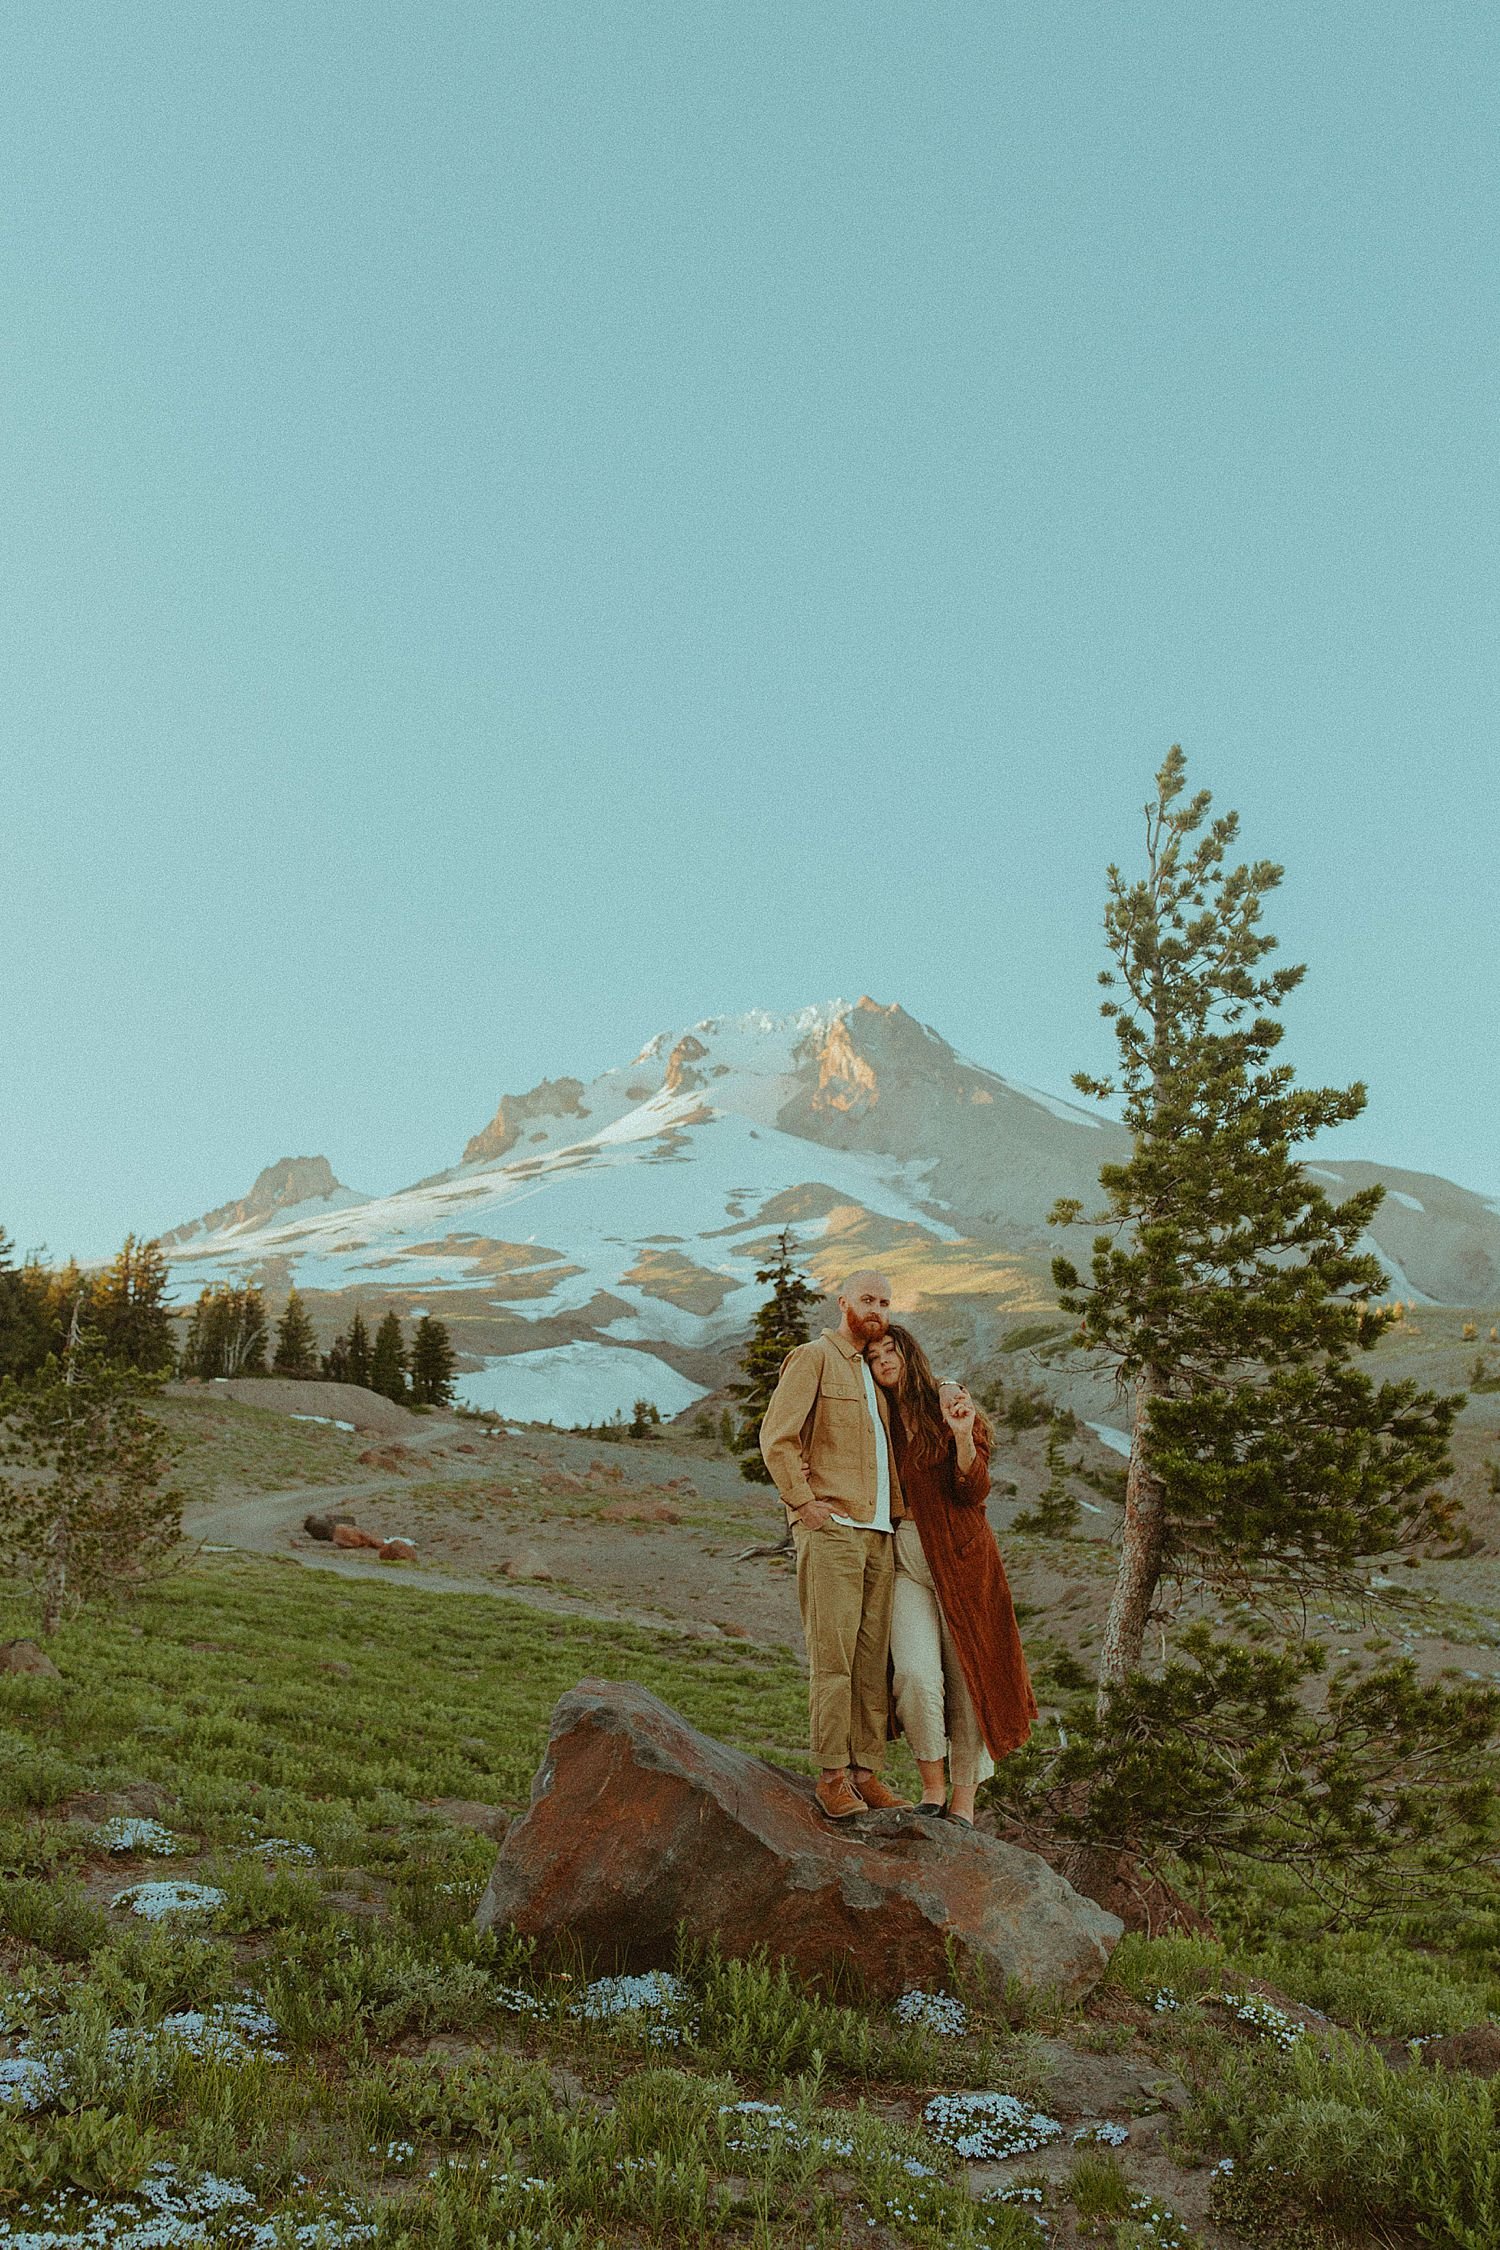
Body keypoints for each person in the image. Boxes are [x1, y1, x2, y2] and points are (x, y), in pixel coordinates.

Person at [865, 1323, 1037, 1825]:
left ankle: (963, 1803)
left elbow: (974, 1489)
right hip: (904, 1560)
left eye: (890, 1351)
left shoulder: (947, 1403)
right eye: (874, 1356)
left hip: (962, 1562)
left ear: (909, 1354)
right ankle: (932, 1788)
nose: (883, 1361)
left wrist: (962, 1435)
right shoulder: (874, 1413)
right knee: (917, 1676)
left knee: (969, 1679)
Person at [759, 1270, 911, 1821]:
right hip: (834, 1533)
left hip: (879, 1535)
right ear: (842, 1301)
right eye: (867, 1298)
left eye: (885, 1302)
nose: (876, 1309)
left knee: (873, 1663)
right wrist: (803, 1504)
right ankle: (831, 1777)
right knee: (834, 1660)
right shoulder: (812, 1358)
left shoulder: (876, 1371)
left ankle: (867, 1773)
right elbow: (776, 1437)